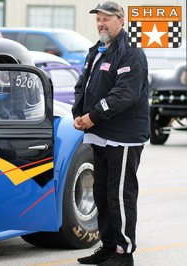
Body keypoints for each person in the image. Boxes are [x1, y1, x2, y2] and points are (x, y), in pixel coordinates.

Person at [72, 2, 149, 266]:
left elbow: (124, 94)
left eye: (107, 19)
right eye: (98, 20)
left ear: (121, 20)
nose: (101, 24)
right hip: (99, 134)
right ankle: (107, 247)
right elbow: (82, 85)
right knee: (102, 193)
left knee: (120, 195)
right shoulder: (97, 51)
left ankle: (123, 253)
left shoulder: (131, 51)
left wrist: (92, 116)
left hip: (123, 136)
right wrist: (78, 114)